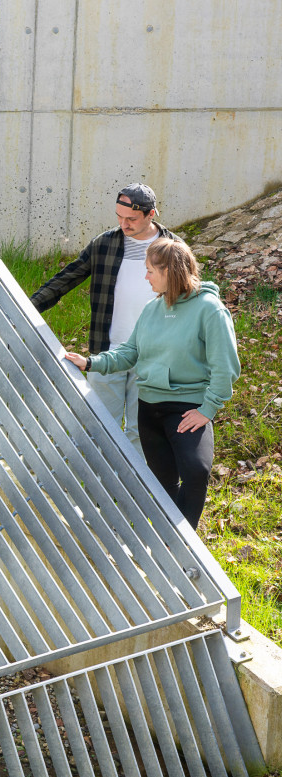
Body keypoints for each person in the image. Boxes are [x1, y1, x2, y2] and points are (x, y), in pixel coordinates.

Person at [64, 238, 240, 528]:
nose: (145, 277)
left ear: (170, 271)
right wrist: (91, 362)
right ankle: (170, 542)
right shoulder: (152, 309)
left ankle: (184, 542)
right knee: (163, 483)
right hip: (149, 409)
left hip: (186, 408)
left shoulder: (210, 310)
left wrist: (208, 409)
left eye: (150, 271)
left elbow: (226, 367)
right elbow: (130, 352)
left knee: (196, 471)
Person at [31, 184, 180, 453]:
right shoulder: (105, 244)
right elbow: (68, 277)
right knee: (101, 426)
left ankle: (136, 489)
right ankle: (99, 485)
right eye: (119, 217)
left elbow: (190, 300)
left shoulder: (174, 249)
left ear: (151, 214)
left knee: (142, 431)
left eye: (131, 219)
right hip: (106, 351)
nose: (124, 224)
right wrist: (29, 307)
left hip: (154, 357)